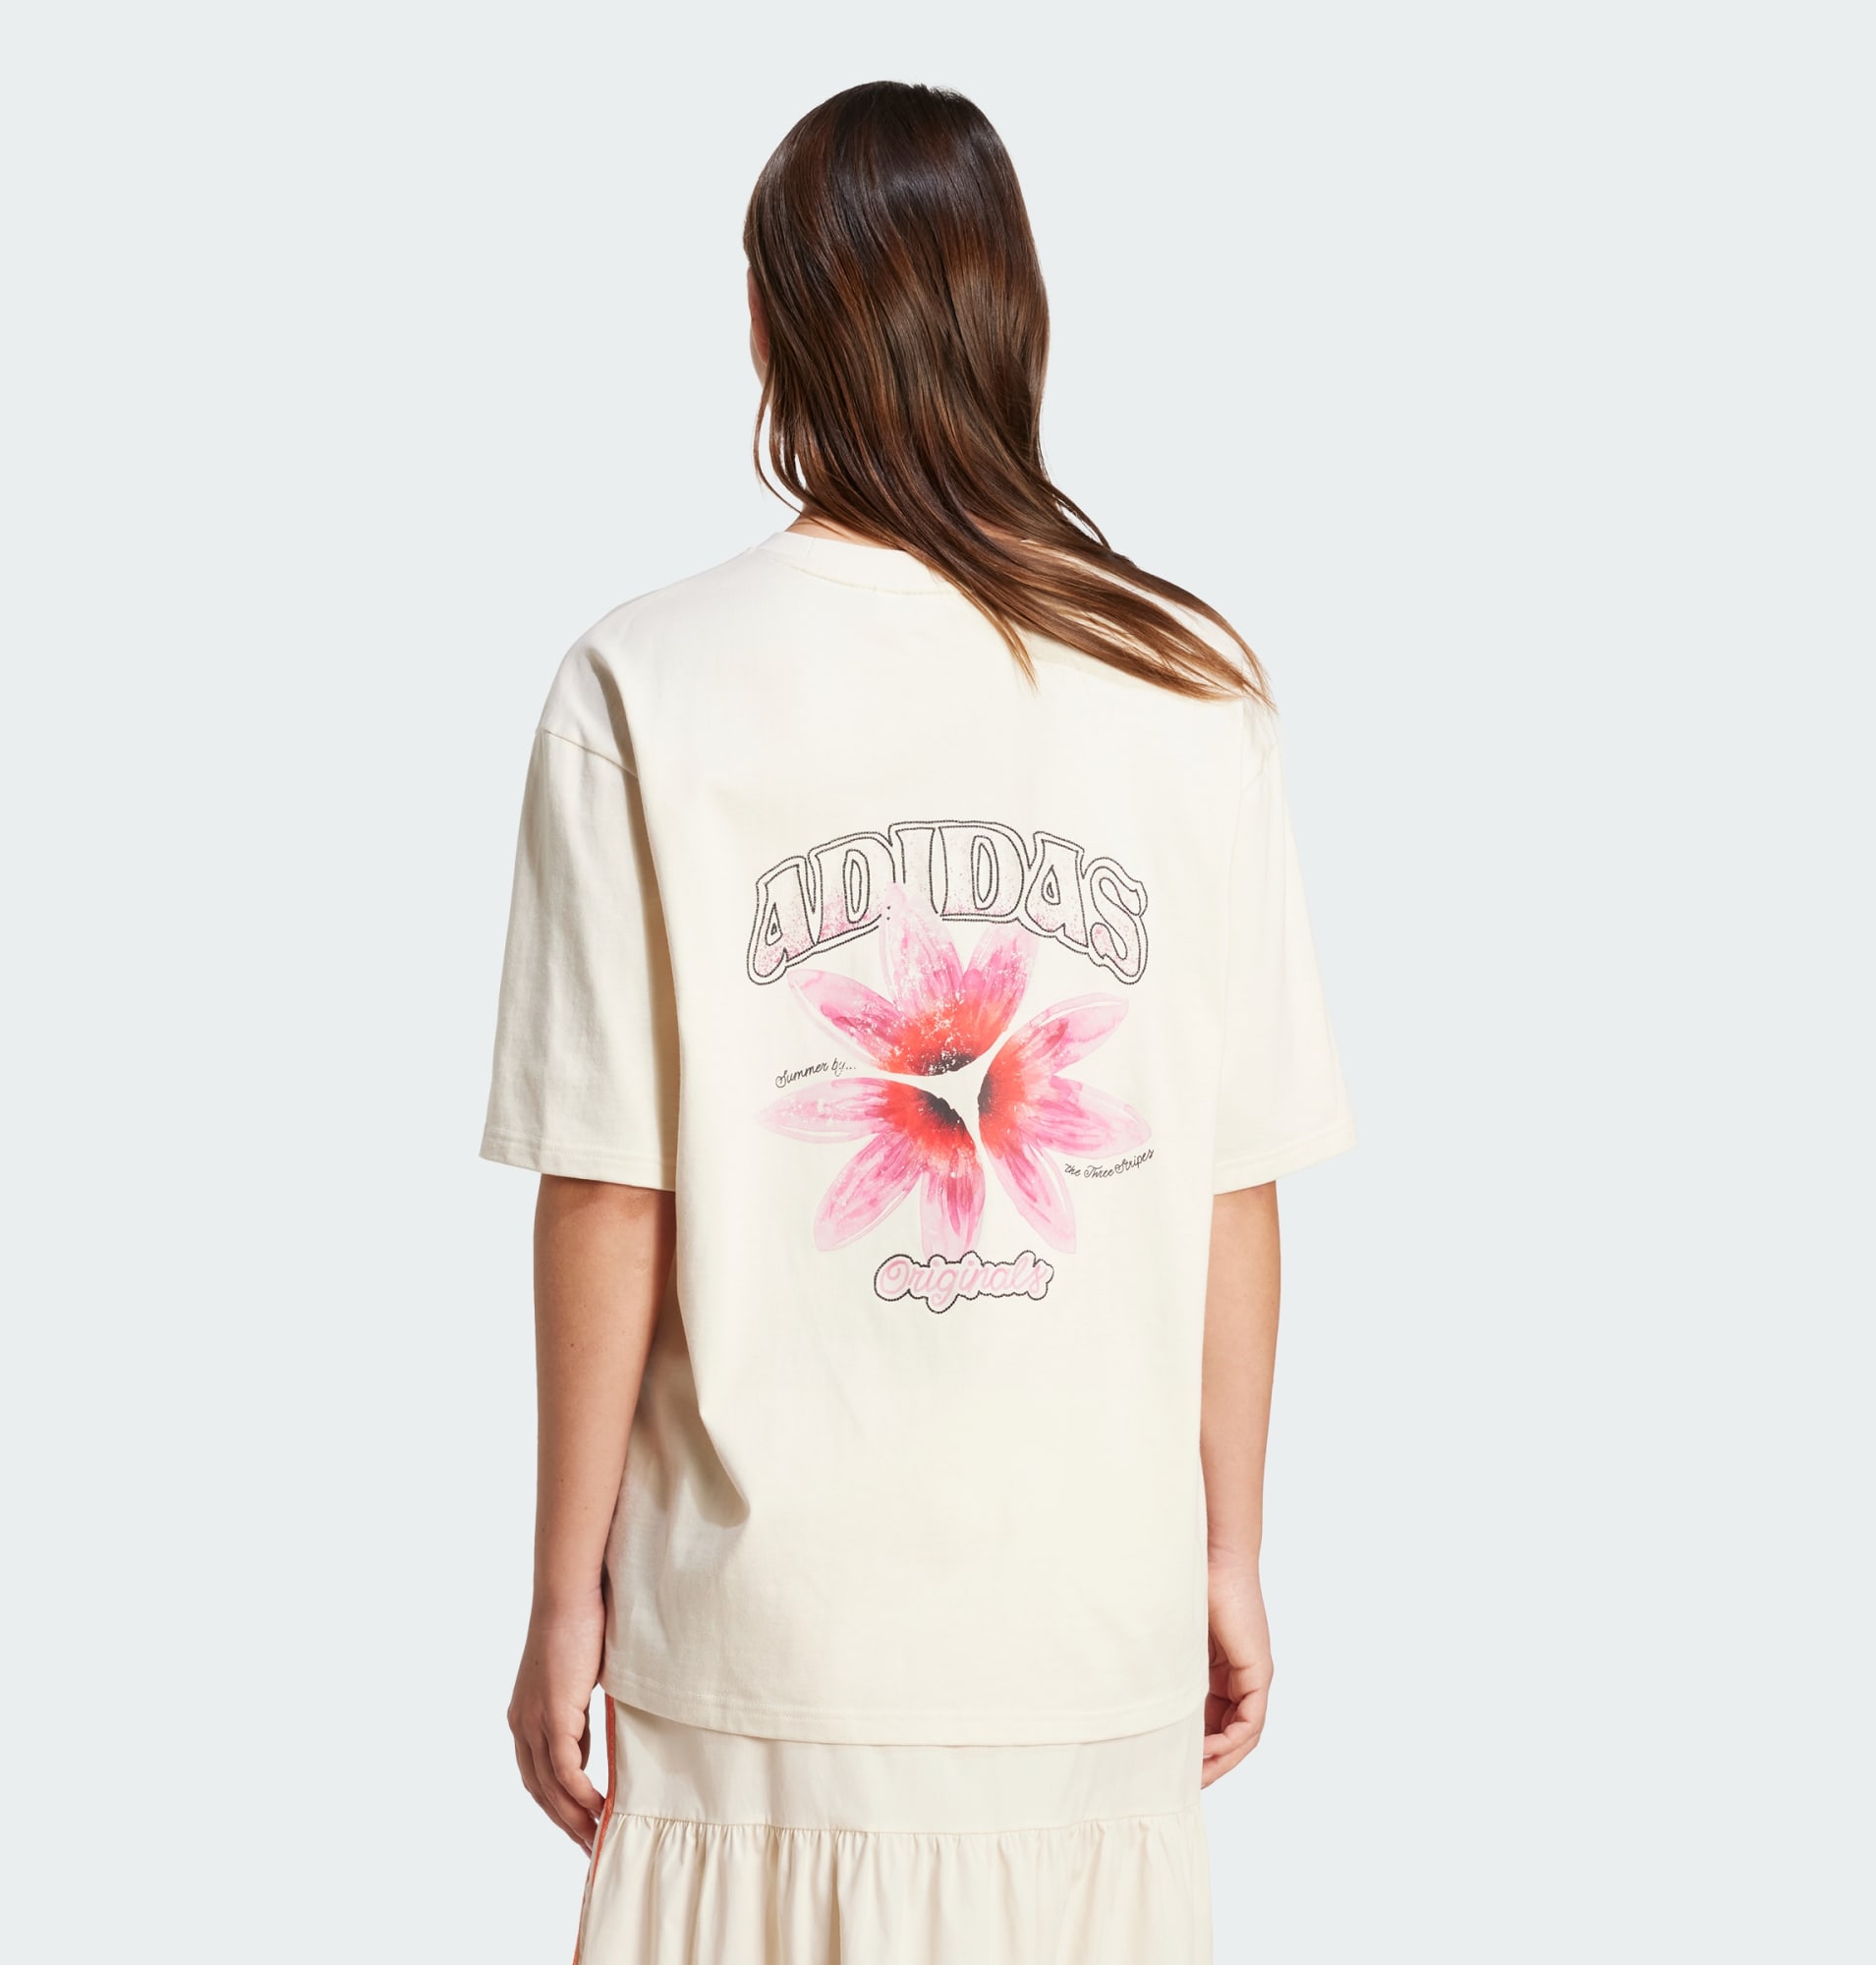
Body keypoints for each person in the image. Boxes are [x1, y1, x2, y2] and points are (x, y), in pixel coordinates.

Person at [482, 79, 1354, 1965]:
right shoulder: (1193, 688)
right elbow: (1231, 1180)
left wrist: (562, 1596)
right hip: (1086, 1639)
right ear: (1018, 320)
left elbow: (610, 1185)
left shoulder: (643, 684)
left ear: (766, 319)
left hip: (758, 1647)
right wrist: (1226, 1551)